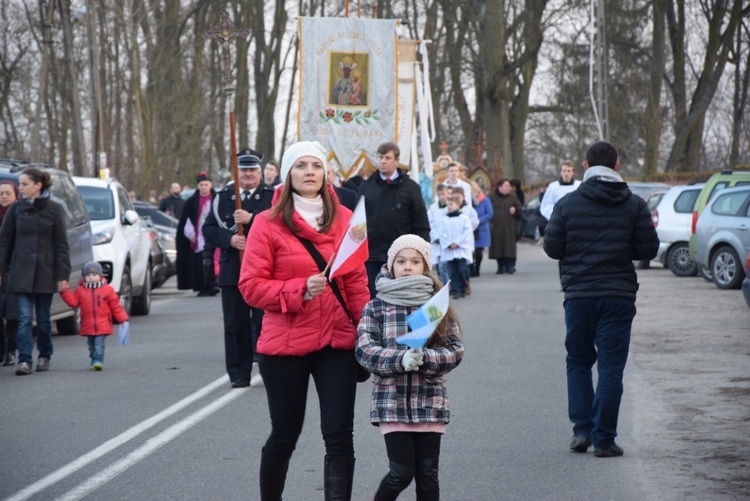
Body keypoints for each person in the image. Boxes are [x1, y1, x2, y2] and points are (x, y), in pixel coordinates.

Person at [238, 140, 370, 500]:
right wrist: (299, 290)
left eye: (315, 165)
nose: (308, 172)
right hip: (285, 347)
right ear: (288, 174)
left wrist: (368, 332)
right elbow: (250, 287)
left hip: (337, 344)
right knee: (284, 435)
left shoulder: (347, 219)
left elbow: (356, 284)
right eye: (300, 166)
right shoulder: (266, 223)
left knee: (340, 435)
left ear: (325, 173)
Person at [543, 141, 659, 457]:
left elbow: (552, 248)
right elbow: (648, 249)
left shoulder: (567, 203)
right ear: (617, 166)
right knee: (611, 368)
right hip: (618, 295)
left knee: (579, 361)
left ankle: (582, 431)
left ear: (585, 166)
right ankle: (604, 439)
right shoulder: (634, 204)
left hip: (579, 295)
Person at [355, 234, 464, 501]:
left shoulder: (437, 305)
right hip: (391, 401)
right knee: (401, 472)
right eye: (401, 260)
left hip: (430, 400)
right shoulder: (376, 306)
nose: (407, 266)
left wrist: (426, 358)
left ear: (425, 267)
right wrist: (399, 360)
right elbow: (364, 349)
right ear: (391, 266)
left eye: (415, 261)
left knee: (428, 473)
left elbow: (455, 349)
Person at [203, 148, 274, 389]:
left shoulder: (271, 196)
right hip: (233, 268)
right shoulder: (223, 197)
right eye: (243, 170)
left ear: (260, 172)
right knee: (235, 324)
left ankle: (270, 369)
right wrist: (229, 240)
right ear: (237, 172)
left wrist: (252, 219)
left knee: (266, 321)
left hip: (265, 269)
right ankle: (238, 373)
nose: (248, 174)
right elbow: (209, 229)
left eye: (253, 170)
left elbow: (281, 225)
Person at [0, 167, 71, 375]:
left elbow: (61, 245)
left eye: (24, 184)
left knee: (43, 319)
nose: (20, 188)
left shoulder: (54, 210)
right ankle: (24, 360)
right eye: (19, 184)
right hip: (20, 271)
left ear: (38, 185)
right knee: (23, 318)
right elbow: (4, 242)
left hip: (44, 271)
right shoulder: (16, 209)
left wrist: (62, 276)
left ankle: (44, 355)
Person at [358, 142, 431, 296]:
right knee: (374, 295)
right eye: (380, 157)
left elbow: (421, 224)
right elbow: (357, 223)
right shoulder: (366, 187)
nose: (383, 161)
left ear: (397, 160)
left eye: (387, 157)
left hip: (402, 257)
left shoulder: (410, 188)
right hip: (372, 256)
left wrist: (423, 253)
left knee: (401, 296)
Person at [59, 261, 129, 370]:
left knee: (98, 344)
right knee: (91, 345)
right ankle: (93, 359)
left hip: (103, 324)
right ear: (84, 277)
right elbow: (73, 302)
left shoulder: (107, 290)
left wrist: (123, 319)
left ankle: (98, 360)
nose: (91, 277)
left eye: (94, 275)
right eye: (88, 275)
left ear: (100, 276)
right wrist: (65, 292)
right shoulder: (80, 290)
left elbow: (115, 306)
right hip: (88, 324)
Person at [176, 172, 218, 296]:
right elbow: (187, 219)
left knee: (214, 260)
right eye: (201, 185)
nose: (204, 187)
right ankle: (203, 285)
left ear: (210, 185)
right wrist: (190, 234)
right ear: (198, 186)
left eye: (206, 184)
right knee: (201, 261)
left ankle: (213, 284)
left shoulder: (217, 198)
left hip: (214, 234)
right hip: (199, 236)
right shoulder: (191, 202)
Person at [437, 196, 474, 298]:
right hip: (449, 250)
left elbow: (467, 232)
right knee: (452, 272)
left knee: (462, 270)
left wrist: (457, 243)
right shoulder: (444, 220)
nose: (448, 207)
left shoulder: (464, 218)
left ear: (458, 205)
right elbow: (442, 233)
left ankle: (463, 287)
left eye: (451, 204)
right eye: (448, 205)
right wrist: (449, 243)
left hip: (461, 250)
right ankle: (455, 290)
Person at [0, 180, 19, 365]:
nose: (4, 197)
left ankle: (11, 349)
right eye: (1, 193)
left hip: (15, 271)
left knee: (13, 313)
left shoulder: (21, 216)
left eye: (8, 193)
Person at [489, 178, 522, 274]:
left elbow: (520, 208)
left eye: (509, 186)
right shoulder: (492, 197)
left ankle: (509, 266)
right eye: (506, 186)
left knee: (509, 246)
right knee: (498, 246)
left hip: (509, 226)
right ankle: (500, 267)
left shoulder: (513, 196)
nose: (509, 188)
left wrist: (515, 209)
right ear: (500, 187)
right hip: (496, 226)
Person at [470, 181, 493, 277]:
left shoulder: (485, 200)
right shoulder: (467, 200)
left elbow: (489, 213)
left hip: (481, 228)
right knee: (470, 251)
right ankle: (471, 268)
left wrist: (479, 220)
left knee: (478, 250)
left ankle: (477, 268)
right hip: (470, 228)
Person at [427, 184, 449, 284]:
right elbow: (430, 223)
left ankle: (449, 284)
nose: (441, 197)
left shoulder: (451, 206)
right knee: (439, 266)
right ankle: (443, 286)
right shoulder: (433, 208)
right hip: (437, 241)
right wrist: (436, 236)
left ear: (447, 194)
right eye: (439, 194)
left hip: (449, 240)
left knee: (446, 265)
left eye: (443, 194)